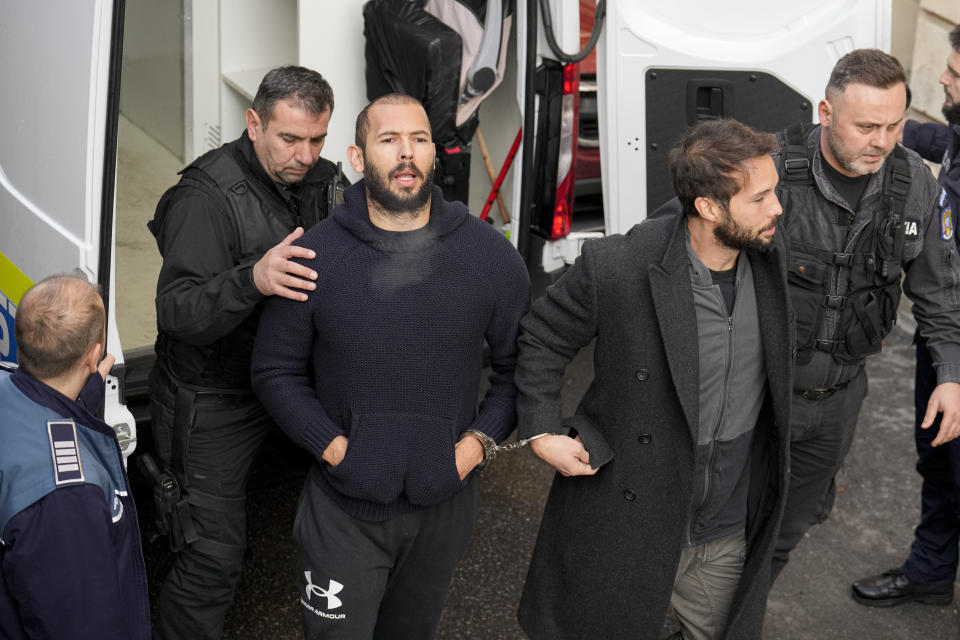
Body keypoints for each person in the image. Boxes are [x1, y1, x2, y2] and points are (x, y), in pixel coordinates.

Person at [250, 93, 530, 639]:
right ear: (357, 158)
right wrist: (337, 450)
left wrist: (470, 452)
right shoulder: (316, 256)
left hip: (445, 503)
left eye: (419, 139)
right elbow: (275, 372)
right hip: (343, 510)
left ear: (433, 154)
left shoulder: (489, 257)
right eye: (389, 140)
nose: (407, 154)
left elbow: (519, 370)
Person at [515, 119, 792, 640]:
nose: (777, 207)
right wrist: (542, 431)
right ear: (708, 208)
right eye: (760, 198)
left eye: (774, 191)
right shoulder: (619, 267)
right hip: (633, 516)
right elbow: (542, 336)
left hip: (726, 524)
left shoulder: (769, 253)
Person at [147, 65, 347, 639]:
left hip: (290, 383)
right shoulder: (203, 198)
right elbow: (176, 312)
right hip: (215, 394)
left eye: (317, 139)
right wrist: (252, 279)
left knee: (357, 491)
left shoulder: (325, 181)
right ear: (253, 122)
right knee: (210, 558)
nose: (305, 155)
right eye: (289, 139)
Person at [769, 48, 960, 584]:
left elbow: (941, 292)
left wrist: (951, 375)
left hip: (837, 406)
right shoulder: (768, 171)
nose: (883, 141)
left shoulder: (915, 185)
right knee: (717, 529)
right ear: (826, 113)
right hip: (757, 397)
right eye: (868, 126)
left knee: (783, 537)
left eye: (895, 124)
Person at [852, 25, 960, 607]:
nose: (942, 78)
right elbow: (928, 135)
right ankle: (930, 573)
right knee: (938, 461)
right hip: (943, 338)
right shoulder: (957, 135)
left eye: (955, 74)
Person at [0, 275, 150, 639]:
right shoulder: (67, 496)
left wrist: (77, 405)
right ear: (93, 355)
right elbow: (81, 624)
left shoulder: (10, 389)